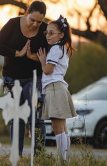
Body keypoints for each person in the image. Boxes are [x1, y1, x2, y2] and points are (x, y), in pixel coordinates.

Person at [0, 0, 49, 156]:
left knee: (35, 116)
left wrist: (33, 57)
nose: (35, 24)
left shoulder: (45, 29)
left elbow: (51, 56)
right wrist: (17, 53)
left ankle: (39, 156)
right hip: (12, 77)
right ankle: (16, 155)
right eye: (33, 20)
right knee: (16, 115)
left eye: (39, 21)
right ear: (26, 13)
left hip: (35, 78)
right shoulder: (12, 24)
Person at [37, 15, 77, 162]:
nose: (48, 36)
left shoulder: (55, 49)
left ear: (61, 34)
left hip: (54, 88)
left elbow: (47, 70)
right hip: (58, 87)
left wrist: (42, 61)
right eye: (46, 33)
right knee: (63, 127)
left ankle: (62, 160)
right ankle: (65, 159)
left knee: (57, 127)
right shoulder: (63, 48)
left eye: (51, 33)